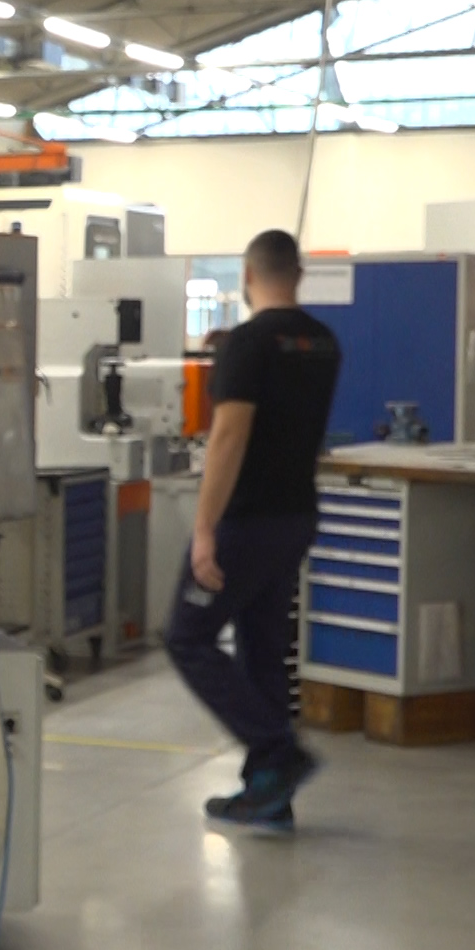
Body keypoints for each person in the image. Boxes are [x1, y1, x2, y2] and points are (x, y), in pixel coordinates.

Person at [164, 229, 341, 833]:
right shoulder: (322, 342)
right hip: (295, 517)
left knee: (187, 636)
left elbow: (229, 438)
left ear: (247, 274)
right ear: (299, 273)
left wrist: (204, 529)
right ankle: (269, 795)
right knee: (263, 647)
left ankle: (277, 749)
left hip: (245, 522)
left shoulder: (248, 343)